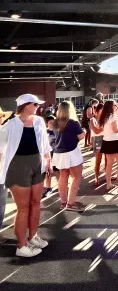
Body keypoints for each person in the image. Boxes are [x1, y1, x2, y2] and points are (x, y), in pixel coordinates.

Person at [0, 94, 52, 257]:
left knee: (36, 202)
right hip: (17, 166)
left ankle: (33, 236)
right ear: (25, 105)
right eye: (35, 104)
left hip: (37, 164)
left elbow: (44, 143)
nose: (37, 106)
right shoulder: (10, 124)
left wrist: (48, 160)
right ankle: (21, 246)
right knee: (23, 208)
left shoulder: (39, 121)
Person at [53, 101, 85, 212]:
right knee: (76, 177)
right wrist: (84, 132)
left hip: (59, 152)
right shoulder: (73, 123)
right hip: (71, 152)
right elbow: (81, 137)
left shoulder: (55, 122)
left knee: (63, 176)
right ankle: (70, 204)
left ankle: (63, 202)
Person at [99, 100, 118, 194]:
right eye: (115, 105)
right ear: (111, 107)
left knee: (109, 164)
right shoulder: (113, 116)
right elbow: (115, 129)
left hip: (106, 141)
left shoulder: (104, 117)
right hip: (115, 141)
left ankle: (108, 184)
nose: (116, 106)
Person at [0, 107, 13, 245]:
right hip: (0, 175)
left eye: (2, 116)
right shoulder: (2, 132)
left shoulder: (3, 131)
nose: (1, 118)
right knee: (0, 205)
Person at [42, 115, 57, 199]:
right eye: (50, 122)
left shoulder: (57, 131)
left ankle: (61, 184)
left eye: (53, 122)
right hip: (48, 155)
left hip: (57, 154)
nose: (52, 124)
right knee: (48, 172)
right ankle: (48, 187)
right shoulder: (44, 132)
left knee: (59, 172)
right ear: (47, 124)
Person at [90, 102, 105, 186]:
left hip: (106, 139)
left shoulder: (105, 119)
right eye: (102, 110)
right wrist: (104, 128)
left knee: (107, 159)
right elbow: (96, 131)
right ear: (98, 110)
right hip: (98, 140)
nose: (103, 112)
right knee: (98, 160)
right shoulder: (92, 120)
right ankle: (96, 176)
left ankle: (107, 175)